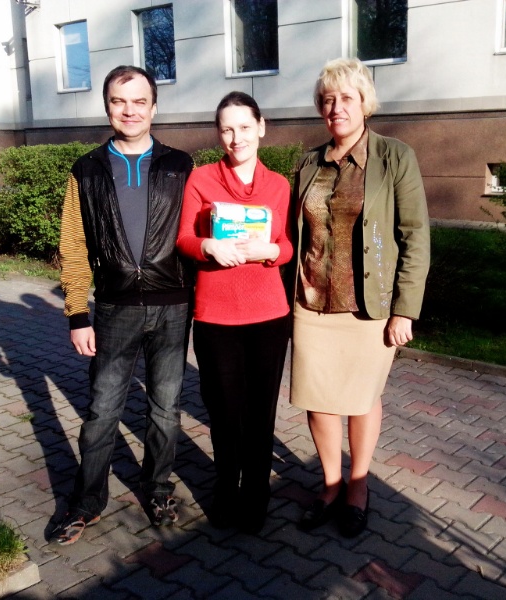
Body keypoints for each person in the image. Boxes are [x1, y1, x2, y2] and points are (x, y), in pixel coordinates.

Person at [52, 65, 194, 545]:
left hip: (173, 306)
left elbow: (198, 234)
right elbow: (73, 246)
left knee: (165, 409)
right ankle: (87, 502)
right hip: (115, 308)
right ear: (107, 106)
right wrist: (77, 313)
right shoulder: (86, 170)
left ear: (154, 106)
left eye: (139, 101)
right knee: (101, 411)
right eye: (119, 101)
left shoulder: (181, 165)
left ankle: (158, 490)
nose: (129, 111)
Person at [291, 58, 430, 538]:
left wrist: (405, 309)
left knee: (361, 397)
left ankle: (358, 485)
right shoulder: (309, 163)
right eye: (328, 100)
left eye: (347, 98)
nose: (337, 108)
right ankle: (330, 485)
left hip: (369, 308)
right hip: (310, 301)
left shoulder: (394, 157)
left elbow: (415, 236)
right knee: (318, 399)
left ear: (365, 103)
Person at [176, 91, 292, 534]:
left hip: (268, 315)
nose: (236, 137)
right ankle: (226, 488)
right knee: (224, 412)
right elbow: (183, 239)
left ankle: (257, 494)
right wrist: (208, 245)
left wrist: (271, 252)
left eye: (244, 127)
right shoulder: (201, 179)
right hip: (217, 317)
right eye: (227, 129)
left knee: (261, 413)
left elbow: (287, 246)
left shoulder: (278, 185)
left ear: (261, 127)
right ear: (218, 134)